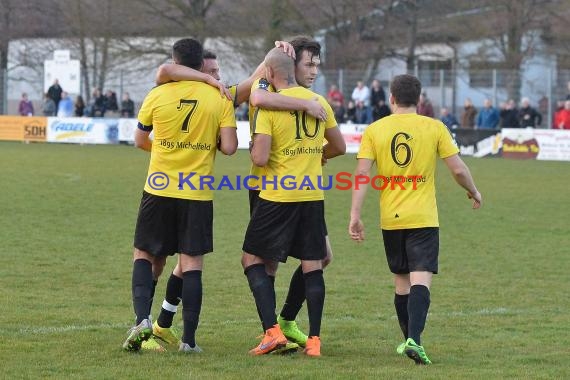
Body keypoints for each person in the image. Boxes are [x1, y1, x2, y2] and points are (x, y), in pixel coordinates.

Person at [348, 74, 482, 365]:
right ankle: (415, 340)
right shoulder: (434, 127)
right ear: (419, 100)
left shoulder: (375, 129)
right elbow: (458, 170)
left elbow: (361, 175)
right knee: (422, 277)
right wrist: (473, 191)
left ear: (391, 99)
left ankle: (409, 339)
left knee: (401, 282)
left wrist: (355, 215)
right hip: (423, 216)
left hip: (391, 218)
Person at [121, 37, 238, 354]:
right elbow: (229, 148)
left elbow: (140, 139)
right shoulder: (219, 98)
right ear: (202, 64)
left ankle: (143, 323)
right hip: (196, 192)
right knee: (192, 263)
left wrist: (166, 150)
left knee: (144, 254)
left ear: (174, 61)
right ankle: (189, 341)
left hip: (158, 187)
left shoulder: (157, 94)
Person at [242, 47, 346, 356]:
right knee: (313, 261)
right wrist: (315, 157)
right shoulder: (319, 101)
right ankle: (313, 340)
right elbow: (338, 146)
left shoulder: (269, 107)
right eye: (309, 64)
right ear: (294, 67)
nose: (313, 70)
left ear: (270, 74)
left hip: (277, 193)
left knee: (253, 260)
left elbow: (260, 157)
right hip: (312, 193)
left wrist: (255, 149)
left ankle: (273, 330)